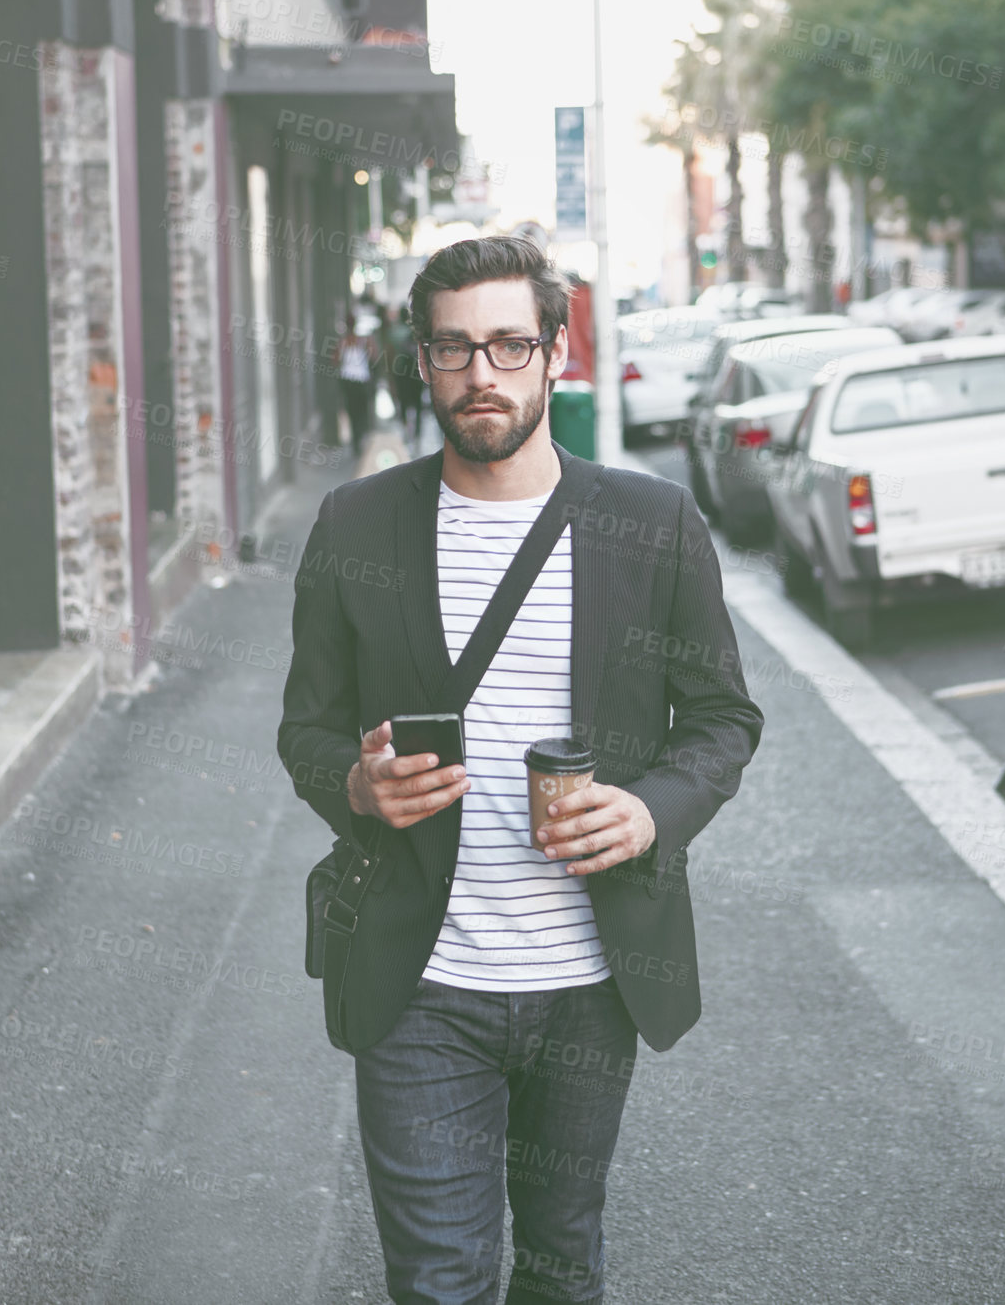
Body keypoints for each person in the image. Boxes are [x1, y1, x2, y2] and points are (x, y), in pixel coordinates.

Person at [279, 236, 763, 1305]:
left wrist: (647, 811)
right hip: (421, 983)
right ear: (420, 361)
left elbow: (723, 717)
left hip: (592, 978)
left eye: (507, 344)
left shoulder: (649, 523)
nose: (479, 374)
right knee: (440, 1278)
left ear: (553, 353)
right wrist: (353, 788)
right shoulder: (356, 522)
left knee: (560, 1264)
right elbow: (304, 730)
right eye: (452, 348)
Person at [336, 310, 376, 458]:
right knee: (361, 410)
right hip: (360, 380)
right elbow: (374, 356)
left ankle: (356, 439)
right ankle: (359, 437)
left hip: (348, 380)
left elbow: (334, 361)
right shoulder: (363, 341)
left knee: (353, 410)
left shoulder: (343, 342)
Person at [388, 301, 425, 441]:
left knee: (403, 401)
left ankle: (405, 428)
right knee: (418, 402)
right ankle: (417, 431)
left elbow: (389, 354)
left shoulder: (393, 332)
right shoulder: (414, 332)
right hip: (416, 372)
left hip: (400, 372)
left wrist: (390, 374)